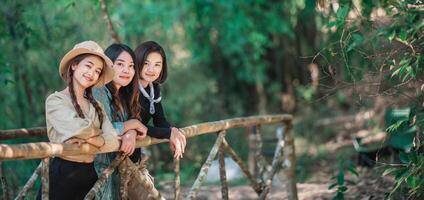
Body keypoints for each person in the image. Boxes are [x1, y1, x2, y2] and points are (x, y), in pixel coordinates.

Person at [42, 41, 120, 199]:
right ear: (74, 65)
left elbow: (113, 141)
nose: (92, 73)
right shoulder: (56, 100)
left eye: (97, 71)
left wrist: (89, 139)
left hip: (89, 174)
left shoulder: (96, 105)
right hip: (63, 174)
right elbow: (79, 129)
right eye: (88, 65)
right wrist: (99, 137)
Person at [92, 43, 148, 199]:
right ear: (108, 65)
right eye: (120, 64)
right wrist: (133, 125)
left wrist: (130, 131)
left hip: (115, 169)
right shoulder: (99, 89)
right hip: (97, 170)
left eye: (131, 66)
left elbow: (129, 122)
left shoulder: (123, 95)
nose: (127, 70)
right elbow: (101, 129)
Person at [133, 41, 186, 162]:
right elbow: (135, 126)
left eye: (157, 64)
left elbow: (159, 121)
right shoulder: (128, 87)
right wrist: (168, 133)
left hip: (136, 151)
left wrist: (174, 130)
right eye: (146, 63)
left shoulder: (154, 87)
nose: (151, 69)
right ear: (137, 62)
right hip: (116, 150)